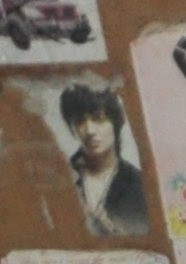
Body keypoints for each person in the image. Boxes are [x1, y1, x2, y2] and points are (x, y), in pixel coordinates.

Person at [56, 79, 144, 235]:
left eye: (99, 119)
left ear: (116, 123)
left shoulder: (138, 184)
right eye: (80, 121)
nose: (90, 130)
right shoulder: (60, 179)